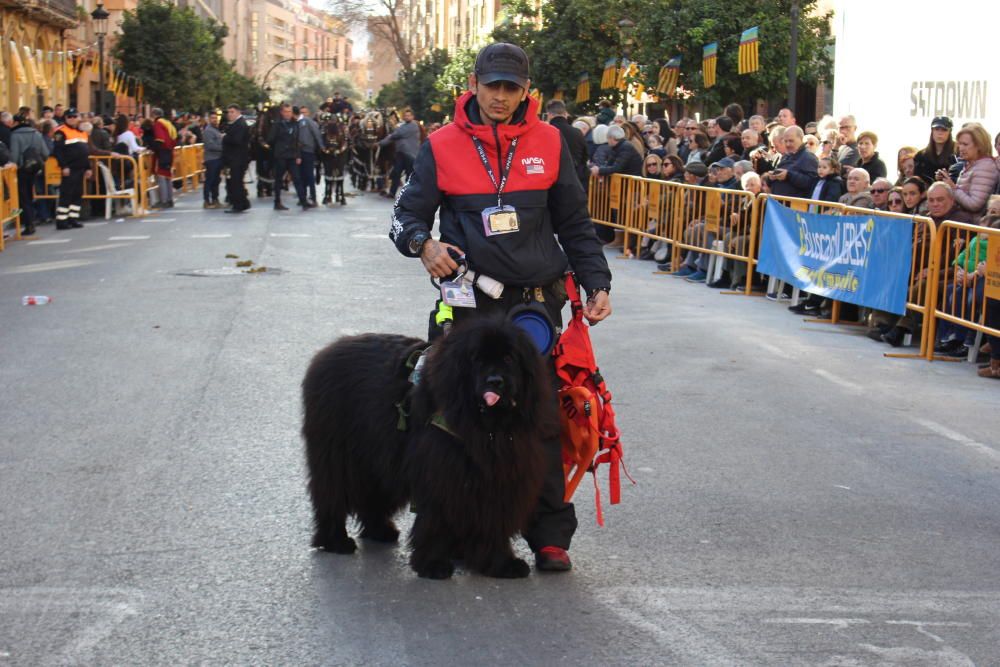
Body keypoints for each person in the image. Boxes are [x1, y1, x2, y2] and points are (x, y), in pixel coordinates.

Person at [388, 42, 612, 573]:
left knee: (540, 418)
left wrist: (596, 281)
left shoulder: (551, 143)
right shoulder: (440, 144)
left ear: (526, 91)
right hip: (467, 306)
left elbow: (575, 224)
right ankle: (448, 527)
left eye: (512, 88)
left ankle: (549, 535)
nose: (501, 97)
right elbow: (403, 217)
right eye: (493, 86)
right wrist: (425, 245)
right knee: (447, 417)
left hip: (534, 308)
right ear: (475, 83)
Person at [936, 122, 998, 216]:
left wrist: (952, 187)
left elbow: (974, 204)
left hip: (972, 225)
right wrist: (946, 182)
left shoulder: (985, 167)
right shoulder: (971, 163)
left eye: (965, 144)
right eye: (959, 144)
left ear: (979, 146)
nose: (960, 148)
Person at [8, 114, 49, 236]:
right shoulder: (36, 133)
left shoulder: (15, 135)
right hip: (35, 169)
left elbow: (14, 155)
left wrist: (15, 165)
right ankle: (33, 219)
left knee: (23, 197)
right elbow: (46, 153)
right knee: (32, 195)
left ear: (15, 123)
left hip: (22, 170)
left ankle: (29, 223)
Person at [52, 108, 90, 229]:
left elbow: (86, 152)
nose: (72, 119)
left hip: (80, 168)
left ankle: (73, 218)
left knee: (77, 194)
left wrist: (88, 167)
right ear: (65, 118)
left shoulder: (82, 132)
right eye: (69, 117)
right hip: (70, 168)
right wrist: (64, 166)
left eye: (74, 116)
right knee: (66, 194)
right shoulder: (61, 132)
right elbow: (58, 151)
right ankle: (62, 221)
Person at [267, 103, 306, 210]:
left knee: (297, 178)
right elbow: (270, 139)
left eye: (290, 112)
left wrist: (298, 155)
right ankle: (277, 202)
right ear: (282, 112)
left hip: (292, 155)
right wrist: (280, 144)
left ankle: (303, 201)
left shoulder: (295, 123)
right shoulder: (277, 124)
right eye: (286, 111)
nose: (288, 114)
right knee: (279, 180)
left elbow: (297, 140)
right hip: (281, 156)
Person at [764, 126, 818, 198]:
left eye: (791, 141)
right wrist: (771, 178)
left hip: (796, 206)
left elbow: (812, 183)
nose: (788, 144)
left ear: (801, 139)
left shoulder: (808, 157)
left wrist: (789, 175)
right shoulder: (786, 156)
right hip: (778, 204)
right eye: (786, 141)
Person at [222, 104, 251, 214]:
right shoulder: (236, 124)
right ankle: (243, 203)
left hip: (237, 159)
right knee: (236, 182)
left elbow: (237, 140)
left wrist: (225, 137)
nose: (229, 114)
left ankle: (238, 205)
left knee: (236, 182)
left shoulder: (240, 124)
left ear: (238, 112)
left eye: (232, 112)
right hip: (235, 158)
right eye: (228, 112)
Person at [913, 116, 956, 185]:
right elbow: (916, 180)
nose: (940, 133)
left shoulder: (957, 153)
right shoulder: (921, 156)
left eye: (944, 130)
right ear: (932, 131)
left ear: (950, 132)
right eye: (936, 129)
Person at [296, 106, 323, 207]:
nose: (303, 114)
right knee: (300, 176)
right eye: (301, 112)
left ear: (309, 113)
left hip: (308, 152)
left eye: (305, 112)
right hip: (299, 153)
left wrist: (322, 147)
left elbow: (317, 136)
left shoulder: (311, 123)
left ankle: (313, 197)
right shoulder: (298, 123)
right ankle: (303, 197)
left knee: (309, 176)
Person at [151, 108, 177, 208]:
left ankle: (164, 200)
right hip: (169, 152)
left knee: (161, 176)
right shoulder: (168, 123)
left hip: (162, 152)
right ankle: (170, 199)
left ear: (154, 115)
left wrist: (153, 147)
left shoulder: (158, 124)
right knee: (167, 176)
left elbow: (160, 139)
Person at [201, 111, 224, 209]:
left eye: (216, 118)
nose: (215, 120)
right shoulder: (208, 131)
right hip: (211, 159)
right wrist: (223, 147)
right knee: (210, 180)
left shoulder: (216, 130)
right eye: (212, 118)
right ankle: (206, 200)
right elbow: (210, 146)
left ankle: (215, 199)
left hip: (218, 158)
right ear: (208, 119)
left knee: (216, 180)